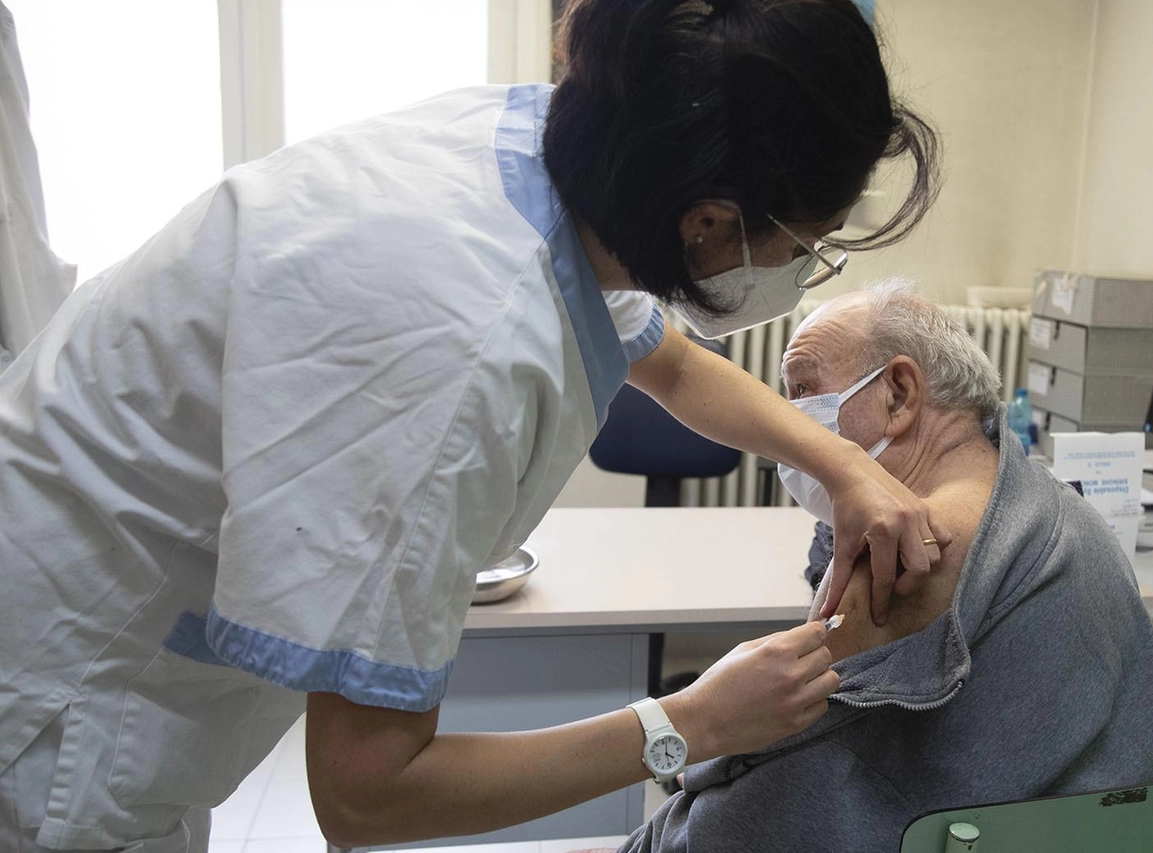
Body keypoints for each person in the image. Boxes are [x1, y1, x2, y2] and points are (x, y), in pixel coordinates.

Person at [0, 1, 954, 851]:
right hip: (54, 710)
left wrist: (846, 466)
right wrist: (690, 721)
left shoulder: (567, 146)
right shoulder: (455, 360)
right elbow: (364, 797)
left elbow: (664, 355)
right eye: (807, 243)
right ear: (708, 220)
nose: (804, 263)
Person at [615, 281, 1153, 853]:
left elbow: (760, 817)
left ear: (900, 395)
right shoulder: (1064, 511)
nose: (788, 423)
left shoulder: (899, 554)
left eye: (805, 389)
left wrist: (693, 750)